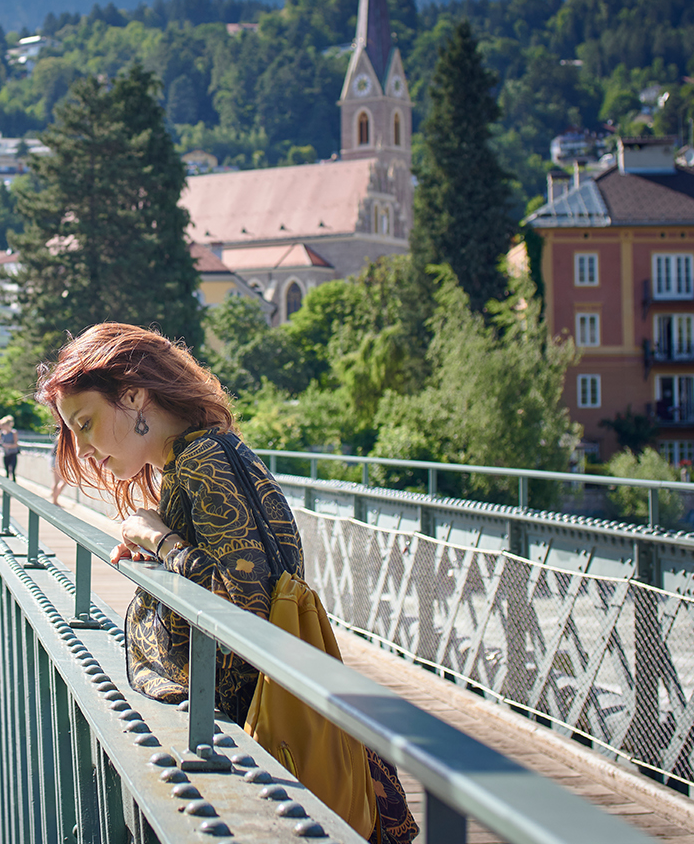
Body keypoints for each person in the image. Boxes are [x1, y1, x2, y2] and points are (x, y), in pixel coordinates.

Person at [39, 323, 417, 844]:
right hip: (243, 727)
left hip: (253, 737)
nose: (81, 448)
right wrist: (159, 549)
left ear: (133, 395)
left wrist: (167, 542)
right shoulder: (202, 454)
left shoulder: (203, 459)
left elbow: (247, 610)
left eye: (86, 423)